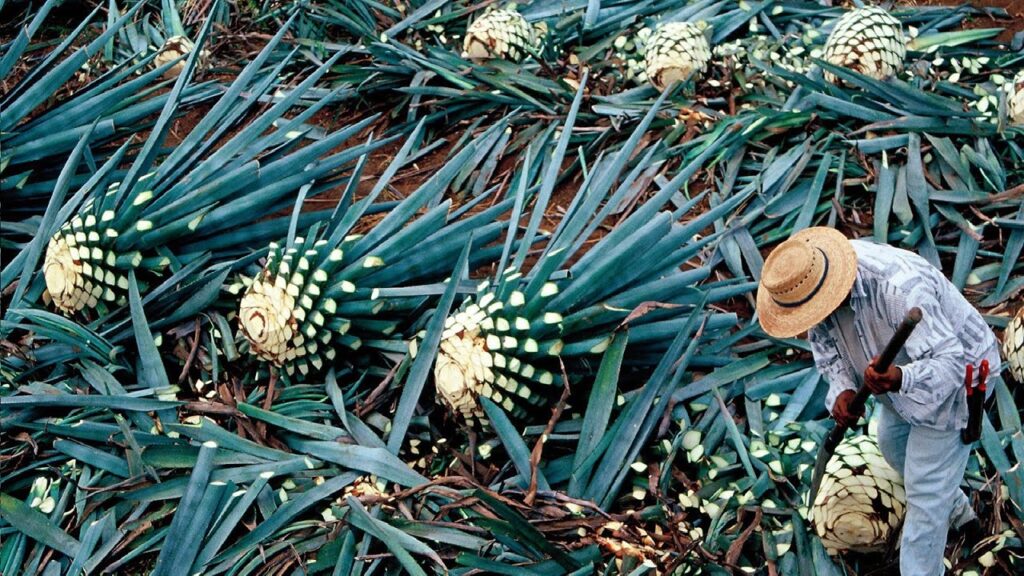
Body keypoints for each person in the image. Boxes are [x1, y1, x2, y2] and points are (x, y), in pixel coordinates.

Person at [756, 227, 1001, 576]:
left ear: (831, 286)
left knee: (925, 493)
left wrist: (901, 377)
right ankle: (960, 513)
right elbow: (826, 346)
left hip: (957, 383)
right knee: (892, 445)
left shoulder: (899, 287)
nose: (810, 323)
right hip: (893, 382)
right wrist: (842, 389)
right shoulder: (809, 287)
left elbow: (950, 363)